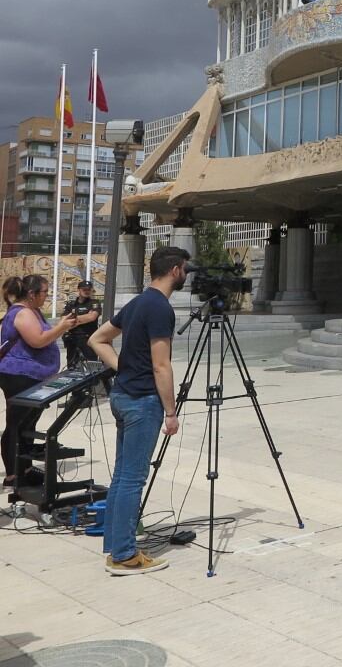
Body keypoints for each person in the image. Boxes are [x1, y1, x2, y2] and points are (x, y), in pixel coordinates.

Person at [85, 246, 189, 576]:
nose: (186, 274)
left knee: (122, 476)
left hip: (123, 395)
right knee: (133, 478)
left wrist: (123, 368)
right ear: (175, 270)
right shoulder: (159, 308)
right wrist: (170, 412)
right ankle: (126, 555)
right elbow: (162, 366)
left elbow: (97, 339)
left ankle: (116, 546)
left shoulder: (138, 303)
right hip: (143, 401)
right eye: (184, 268)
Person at [1, 275, 87, 488]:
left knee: (28, 423)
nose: (46, 297)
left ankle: (25, 468)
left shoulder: (31, 311)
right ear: (31, 294)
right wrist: (62, 327)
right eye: (44, 293)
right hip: (19, 375)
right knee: (17, 424)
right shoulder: (22, 313)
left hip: (32, 376)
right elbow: (38, 340)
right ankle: (14, 474)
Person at [61, 280, 102, 367]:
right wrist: (85, 317)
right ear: (78, 290)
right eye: (84, 289)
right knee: (71, 367)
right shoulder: (71, 304)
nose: (87, 291)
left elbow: (92, 317)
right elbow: (63, 320)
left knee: (92, 367)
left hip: (88, 339)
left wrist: (74, 318)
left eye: (89, 289)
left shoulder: (94, 303)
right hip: (73, 340)